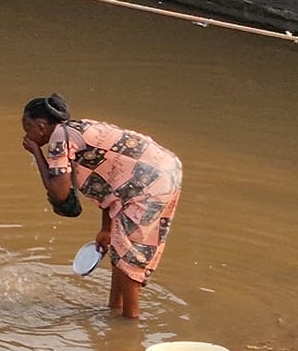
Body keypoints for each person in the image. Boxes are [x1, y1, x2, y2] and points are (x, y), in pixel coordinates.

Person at [20, 94, 182, 319]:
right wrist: (106, 229)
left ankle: (130, 322)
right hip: (164, 171)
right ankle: (114, 309)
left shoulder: (60, 137)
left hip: (145, 185)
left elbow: (59, 192)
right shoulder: (79, 128)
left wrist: (37, 153)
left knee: (128, 254)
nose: (26, 133)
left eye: (27, 127)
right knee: (118, 246)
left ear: (40, 126)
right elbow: (108, 183)